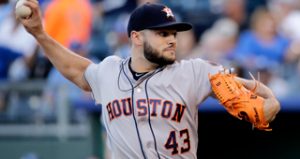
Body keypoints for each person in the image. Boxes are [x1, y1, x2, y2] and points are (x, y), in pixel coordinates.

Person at [18, 1, 280, 159]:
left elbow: (261, 109)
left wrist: (268, 107)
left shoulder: (196, 71)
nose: (171, 39)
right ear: (136, 37)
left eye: (174, 34)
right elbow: (76, 70)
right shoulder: (108, 72)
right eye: (162, 33)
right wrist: (40, 34)